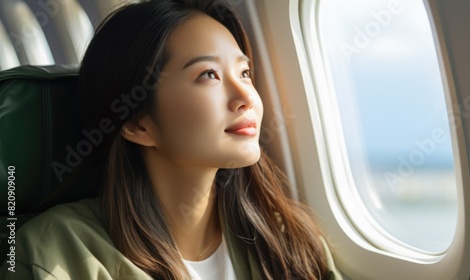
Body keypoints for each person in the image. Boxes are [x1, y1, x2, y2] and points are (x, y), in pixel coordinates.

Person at [1, 0, 343, 279]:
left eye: (244, 72)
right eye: (208, 74)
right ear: (137, 122)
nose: (246, 96)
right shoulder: (57, 252)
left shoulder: (286, 238)